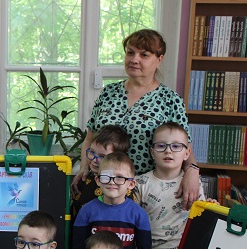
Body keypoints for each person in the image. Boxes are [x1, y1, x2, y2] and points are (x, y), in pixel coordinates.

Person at [74, 29, 200, 210]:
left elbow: (184, 147)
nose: (134, 59)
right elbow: (89, 139)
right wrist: (84, 167)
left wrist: (193, 173)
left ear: (159, 59)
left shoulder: (170, 100)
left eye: (144, 55)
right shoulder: (108, 93)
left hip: (145, 192)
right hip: (102, 187)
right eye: (130, 52)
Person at [73, 152, 151, 249]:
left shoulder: (139, 215)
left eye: (120, 177)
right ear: (98, 180)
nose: (112, 182)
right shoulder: (86, 211)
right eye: (106, 177)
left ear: (131, 183)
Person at [71, 125, 131, 222]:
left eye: (102, 157)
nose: (94, 160)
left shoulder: (123, 188)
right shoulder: (82, 181)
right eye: (92, 152)